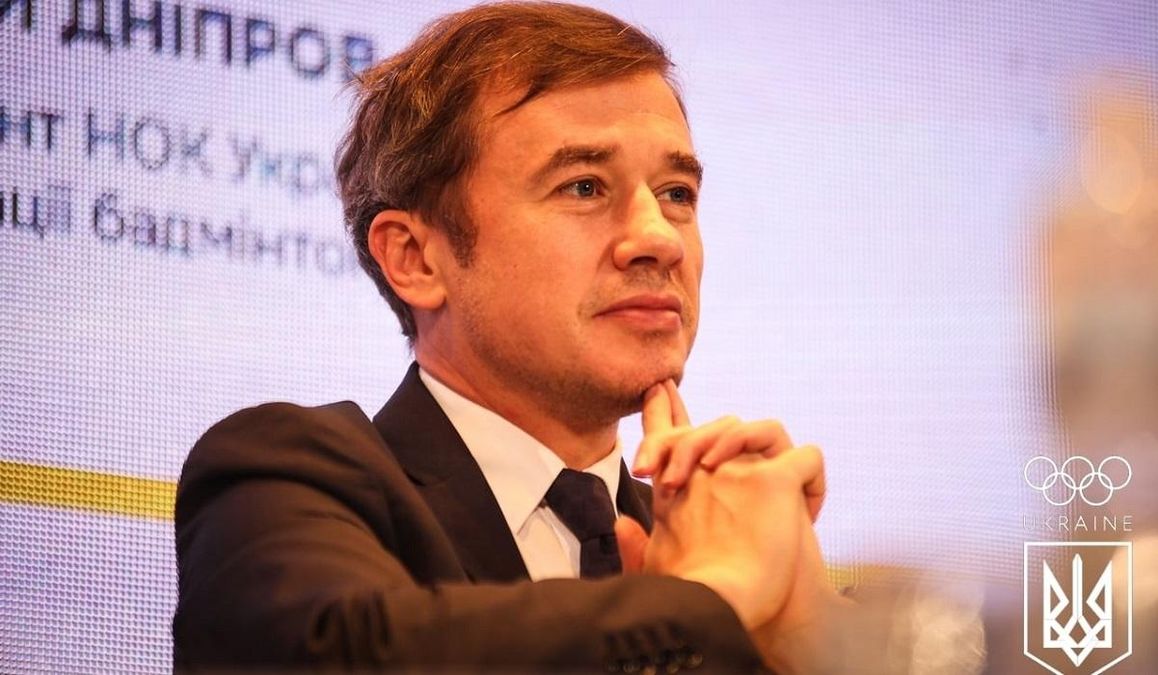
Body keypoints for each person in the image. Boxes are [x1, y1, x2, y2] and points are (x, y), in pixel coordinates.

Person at [173, 2, 844, 672]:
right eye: (584, 186)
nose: (660, 239)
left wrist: (815, 641)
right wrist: (708, 599)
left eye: (677, 194)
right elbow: (340, 655)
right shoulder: (287, 476)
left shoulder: (725, 540)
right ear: (415, 258)